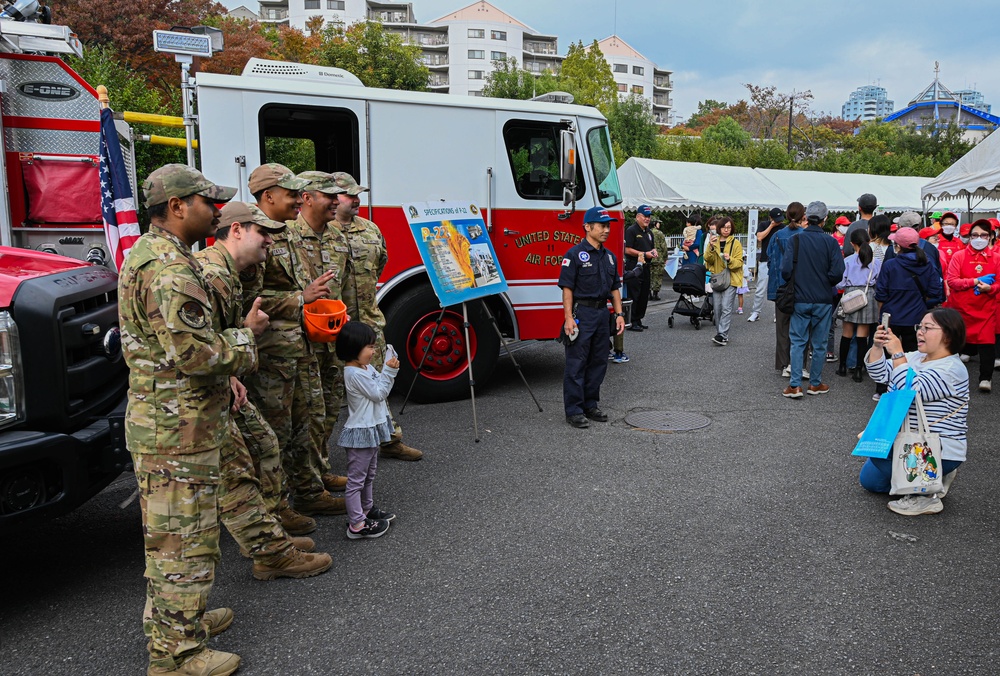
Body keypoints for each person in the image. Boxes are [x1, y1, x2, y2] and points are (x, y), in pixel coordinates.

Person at [119, 164, 250, 675]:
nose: (215, 210)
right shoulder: (170, 269)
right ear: (177, 207)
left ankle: (176, 621)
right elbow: (197, 355)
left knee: (171, 536)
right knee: (183, 542)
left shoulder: (152, 255)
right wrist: (247, 336)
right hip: (176, 430)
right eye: (206, 201)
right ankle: (176, 654)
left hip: (169, 424)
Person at [196, 201, 333, 580]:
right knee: (237, 473)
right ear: (236, 230)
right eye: (262, 232)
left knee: (264, 445)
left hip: (222, 381)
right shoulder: (210, 274)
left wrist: (232, 376)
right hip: (194, 397)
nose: (271, 240)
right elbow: (194, 349)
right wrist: (247, 334)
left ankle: (271, 535)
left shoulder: (230, 271)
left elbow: (213, 337)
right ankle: (269, 551)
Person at [243, 164, 346, 526]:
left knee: (307, 422)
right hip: (272, 354)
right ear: (268, 196)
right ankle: (275, 508)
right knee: (276, 434)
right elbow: (247, 301)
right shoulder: (251, 234)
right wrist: (299, 298)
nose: (297, 200)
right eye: (290, 194)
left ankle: (308, 490)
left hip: (300, 348)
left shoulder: (286, 233)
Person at [331, 172, 424, 461]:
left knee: (379, 383)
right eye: (349, 194)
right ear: (333, 197)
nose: (356, 199)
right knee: (331, 389)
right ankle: (317, 459)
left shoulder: (370, 230)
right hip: (337, 327)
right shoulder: (321, 233)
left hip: (369, 322)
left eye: (358, 194)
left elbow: (380, 264)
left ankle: (389, 440)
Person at [861, 308, 969, 516]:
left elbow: (909, 393)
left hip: (937, 445)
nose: (920, 332)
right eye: (920, 327)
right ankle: (930, 478)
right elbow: (880, 373)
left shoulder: (952, 369)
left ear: (948, 334)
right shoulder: (918, 357)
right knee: (870, 481)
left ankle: (927, 495)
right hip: (912, 441)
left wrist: (898, 354)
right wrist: (877, 346)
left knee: (878, 452)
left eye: (928, 328)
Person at [289, 171, 352, 492]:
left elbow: (348, 290)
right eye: (328, 195)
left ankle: (320, 468)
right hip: (300, 344)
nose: (335, 201)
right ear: (307, 198)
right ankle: (305, 482)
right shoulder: (285, 236)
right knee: (306, 414)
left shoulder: (339, 238)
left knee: (329, 407)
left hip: (335, 340)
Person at [558, 206, 626, 428]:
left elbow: (615, 288)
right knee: (577, 362)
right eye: (602, 225)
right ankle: (574, 410)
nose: (606, 230)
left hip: (601, 314)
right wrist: (568, 318)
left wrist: (619, 314)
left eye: (608, 226)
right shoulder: (574, 255)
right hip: (582, 313)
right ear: (587, 227)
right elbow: (567, 289)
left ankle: (590, 404)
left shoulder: (610, 257)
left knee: (598, 361)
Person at [335, 321, 399, 539]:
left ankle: (366, 509)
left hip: (369, 430)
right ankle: (357, 524)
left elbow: (378, 384)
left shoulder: (365, 368)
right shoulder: (354, 373)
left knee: (368, 475)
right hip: (360, 433)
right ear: (354, 347)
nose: (373, 351)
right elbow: (379, 393)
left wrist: (384, 371)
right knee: (356, 480)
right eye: (369, 347)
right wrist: (389, 370)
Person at [781, 201, 845, 398]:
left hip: (799, 297)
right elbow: (838, 273)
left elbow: (785, 271)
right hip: (823, 299)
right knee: (819, 343)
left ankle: (795, 385)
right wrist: (825, 281)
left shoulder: (796, 240)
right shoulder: (831, 242)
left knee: (798, 342)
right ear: (825, 220)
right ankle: (815, 383)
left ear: (806, 218)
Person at [873, 226, 945, 374]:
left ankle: (884, 387)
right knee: (913, 354)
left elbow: (880, 294)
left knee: (888, 352)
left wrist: (880, 315)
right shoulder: (926, 264)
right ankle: (909, 387)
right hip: (916, 316)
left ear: (898, 246)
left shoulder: (890, 265)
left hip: (891, 315)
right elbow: (935, 291)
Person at [945, 219, 1000, 393]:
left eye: (983, 235)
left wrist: (991, 287)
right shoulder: (959, 256)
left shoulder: (997, 258)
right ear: (969, 237)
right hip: (961, 308)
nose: (979, 238)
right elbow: (952, 281)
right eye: (975, 235)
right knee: (955, 344)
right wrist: (975, 281)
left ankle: (985, 378)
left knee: (987, 344)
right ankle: (948, 377)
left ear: (991, 237)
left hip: (986, 309)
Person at [836, 229, 881, 382]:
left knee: (846, 334)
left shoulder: (848, 260)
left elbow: (840, 283)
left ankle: (842, 367)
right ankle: (858, 370)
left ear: (852, 243)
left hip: (850, 295)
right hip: (868, 297)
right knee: (863, 336)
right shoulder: (876, 262)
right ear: (869, 242)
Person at [768, 202, 805, 376]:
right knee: (800, 327)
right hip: (801, 286)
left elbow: (770, 259)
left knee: (782, 328)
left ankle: (783, 365)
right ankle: (797, 364)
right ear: (802, 216)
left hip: (780, 287)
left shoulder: (777, 235)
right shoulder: (805, 236)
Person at [704, 215, 743, 346]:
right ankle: (720, 333)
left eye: (729, 227)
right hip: (717, 278)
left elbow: (739, 262)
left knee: (726, 307)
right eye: (724, 227)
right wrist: (710, 247)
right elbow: (707, 260)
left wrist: (730, 259)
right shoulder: (713, 242)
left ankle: (722, 334)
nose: (726, 230)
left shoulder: (735, 243)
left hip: (731, 278)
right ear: (719, 228)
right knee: (717, 308)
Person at [624, 204, 657, 331]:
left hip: (646, 266)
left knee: (644, 293)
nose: (647, 219)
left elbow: (651, 247)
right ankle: (632, 320)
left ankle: (639, 318)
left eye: (649, 217)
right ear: (638, 216)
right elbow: (627, 249)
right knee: (634, 293)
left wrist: (653, 252)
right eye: (645, 216)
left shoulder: (649, 232)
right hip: (634, 265)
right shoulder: (631, 230)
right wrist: (643, 254)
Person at [749, 207, 782, 322]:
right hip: (765, 260)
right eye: (776, 219)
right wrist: (771, 226)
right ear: (771, 218)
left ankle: (777, 314)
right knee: (760, 288)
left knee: (779, 288)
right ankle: (755, 312)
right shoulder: (764, 224)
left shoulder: (784, 227)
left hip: (779, 261)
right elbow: (760, 237)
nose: (779, 221)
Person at [936, 211, 964, 301]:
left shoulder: (959, 242)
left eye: (952, 224)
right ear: (941, 224)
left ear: (956, 226)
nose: (949, 226)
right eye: (946, 223)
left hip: (956, 279)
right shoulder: (936, 240)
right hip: (940, 280)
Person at [649, 218, 668, 301]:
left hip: (649, 257)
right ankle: (655, 294)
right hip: (658, 258)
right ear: (655, 224)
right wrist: (665, 257)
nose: (659, 224)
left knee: (649, 276)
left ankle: (648, 294)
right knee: (658, 276)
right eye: (658, 223)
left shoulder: (647, 232)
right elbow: (664, 246)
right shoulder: (659, 233)